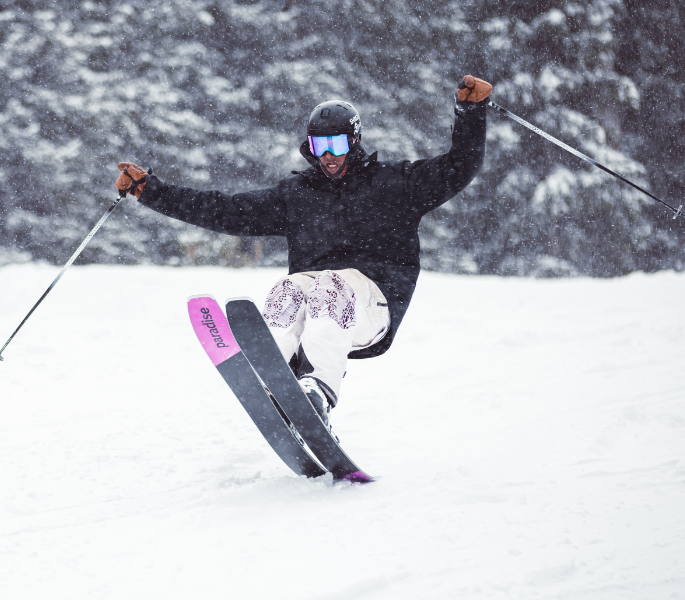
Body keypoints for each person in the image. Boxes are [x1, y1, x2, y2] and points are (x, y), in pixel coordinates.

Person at [116, 75, 492, 424]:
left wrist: (471, 114)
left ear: (355, 141)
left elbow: (458, 167)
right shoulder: (297, 196)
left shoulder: (396, 184)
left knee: (331, 284)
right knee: (289, 288)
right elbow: (225, 210)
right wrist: (152, 192)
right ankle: (275, 372)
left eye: (337, 145)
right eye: (319, 146)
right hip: (317, 302)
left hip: (373, 305)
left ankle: (319, 387)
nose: (328, 155)